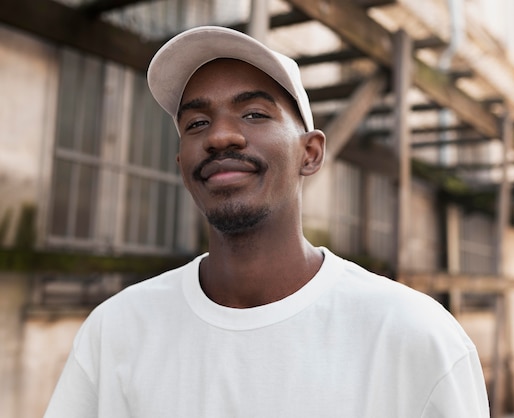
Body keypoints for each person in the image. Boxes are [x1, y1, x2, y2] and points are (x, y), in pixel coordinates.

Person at [44, 26, 490, 417]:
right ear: (182, 162)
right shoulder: (117, 331)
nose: (219, 136)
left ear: (310, 153)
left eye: (255, 113)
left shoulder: (415, 336)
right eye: (196, 122)